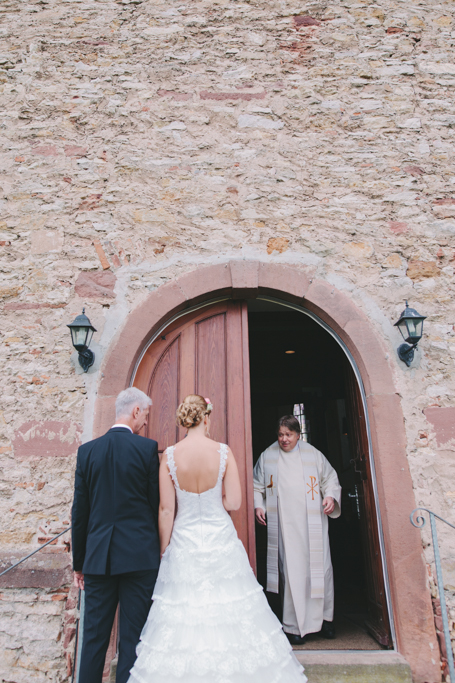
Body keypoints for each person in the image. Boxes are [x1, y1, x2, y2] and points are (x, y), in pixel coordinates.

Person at [128, 395, 306, 683]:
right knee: (233, 608)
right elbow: (234, 502)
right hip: (220, 539)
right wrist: (215, 499)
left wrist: (164, 549)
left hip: (184, 541)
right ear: (206, 418)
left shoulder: (170, 456)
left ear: (186, 420)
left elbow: (165, 509)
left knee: (183, 612)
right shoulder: (223, 452)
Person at [71, 387, 160, 683]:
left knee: (93, 639)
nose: (145, 422)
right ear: (135, 411)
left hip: (98, 559)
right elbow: (154, 504)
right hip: (139, 557)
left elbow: (79, 513)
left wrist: (79, 563)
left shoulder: (87, 451)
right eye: (145, 414)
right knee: (132, 640)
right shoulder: (146, 450)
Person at [253, 415, 341, 645]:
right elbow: (256, 486)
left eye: (288, 435)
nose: (284, 439)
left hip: (313, 523)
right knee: (291, 572)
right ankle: (292, 626)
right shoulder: (268, 456)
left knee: (320, 570)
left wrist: (330, 496)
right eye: (280, 435)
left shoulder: (313, 455)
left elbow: (330, 479)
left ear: (298, 435)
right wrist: (259, 505)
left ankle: (325, 621)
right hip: (286, 524)